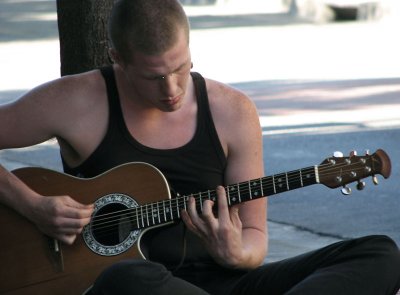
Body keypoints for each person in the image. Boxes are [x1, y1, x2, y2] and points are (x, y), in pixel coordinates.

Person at [0, 0, 399, 294]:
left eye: (180, 68)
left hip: (224, 284)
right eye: (154, 77)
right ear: (117, 58)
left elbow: (255, 236)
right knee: (126, 279)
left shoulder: (232, 111)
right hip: (142, 286)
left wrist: (236, 254)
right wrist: (32, 205)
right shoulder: (76, 101)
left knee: (378, 253)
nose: (171, 89)